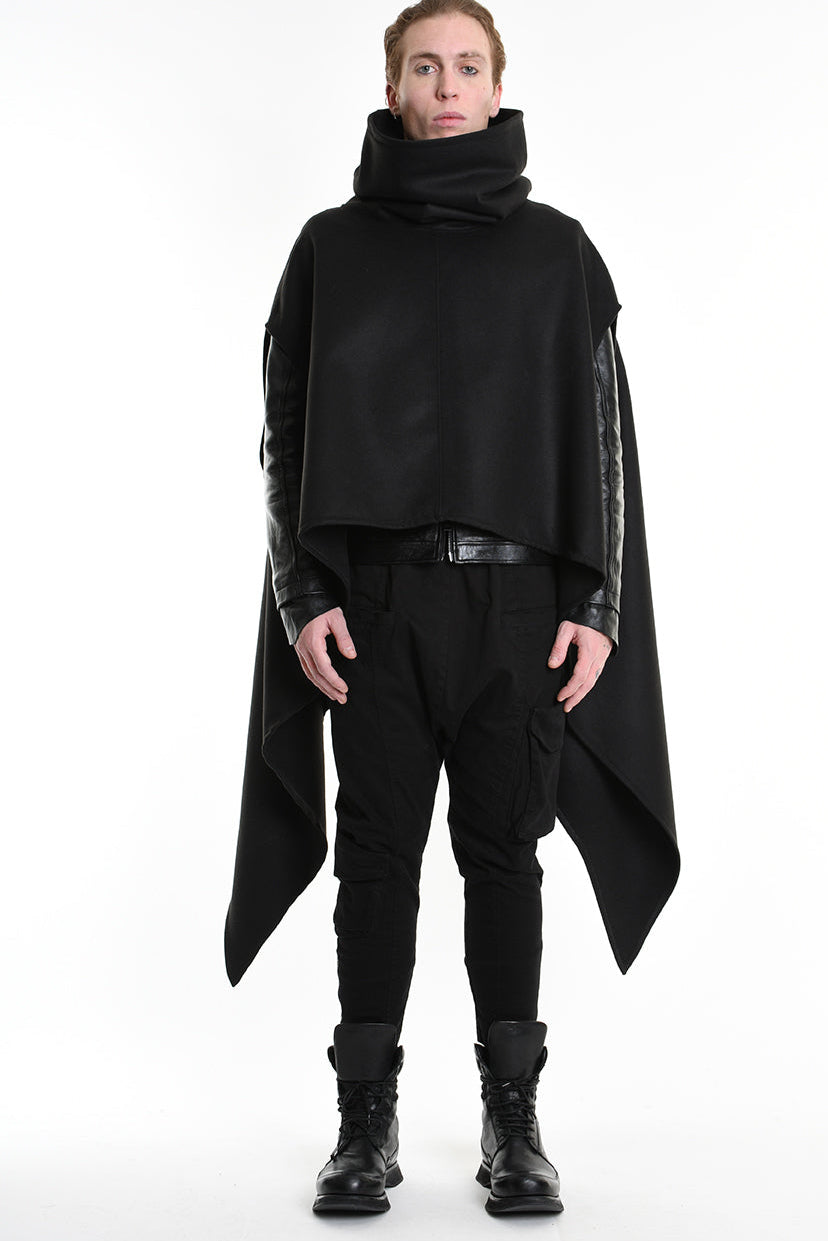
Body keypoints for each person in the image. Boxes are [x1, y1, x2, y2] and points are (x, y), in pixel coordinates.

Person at [224, 0, 680, 1217]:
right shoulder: (330, 249)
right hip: (373, 606)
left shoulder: (557, 253)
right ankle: (362, 1122)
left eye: (466, 66)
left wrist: (599, 604)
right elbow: (285, 433)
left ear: (496, 85)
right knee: (375, 859)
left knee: (504, 858)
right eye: (424, 66)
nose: (446, 86)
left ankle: (512, 1118)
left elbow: (602, 442)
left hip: (519, 605)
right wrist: (302, 593)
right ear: (393, 86)